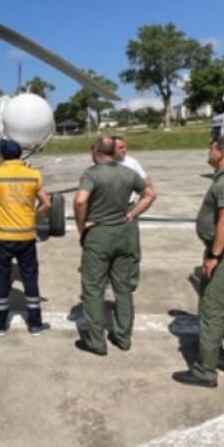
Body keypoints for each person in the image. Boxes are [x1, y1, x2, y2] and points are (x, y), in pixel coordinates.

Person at [174, 136, 224, 387]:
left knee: (211, 308)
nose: (208, 152)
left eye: (211, 148)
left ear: (221, 153)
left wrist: (214, 256)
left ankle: (205, 371)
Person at [74, 136, 156, 355]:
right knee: (123, 289)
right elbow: (150, 193)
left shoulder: (91, 174)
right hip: (122, 233)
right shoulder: (129, 173)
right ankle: (123, 337)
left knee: (93, 288)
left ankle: (96, 341)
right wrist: (132, 214)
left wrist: (82, 227)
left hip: (99, 235)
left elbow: (81, 200)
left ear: (98, 152)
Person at [0, 139, 52, 335]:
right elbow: (47, 204)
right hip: (26, 235)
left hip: (1, 236)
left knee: (2, 279)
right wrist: (33, 215)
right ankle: (35, 324)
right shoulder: (33, 174)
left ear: (2, 155)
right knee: (30, 278)